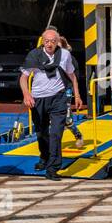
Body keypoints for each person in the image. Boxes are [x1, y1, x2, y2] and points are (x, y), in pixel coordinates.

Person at [21, 28, 82, 180]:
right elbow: (23, 78)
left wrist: (77, 95)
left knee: (56, 133)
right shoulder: (34, 55)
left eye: (53, 41)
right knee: (41, 133)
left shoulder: (64, 55)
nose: (49, 44)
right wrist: (26, 94)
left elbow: (72, 76)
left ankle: (53, 168)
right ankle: (44, 157)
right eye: (47, 41)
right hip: (38, 98)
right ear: (43, 42)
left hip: (58, 98)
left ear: (57, 42)